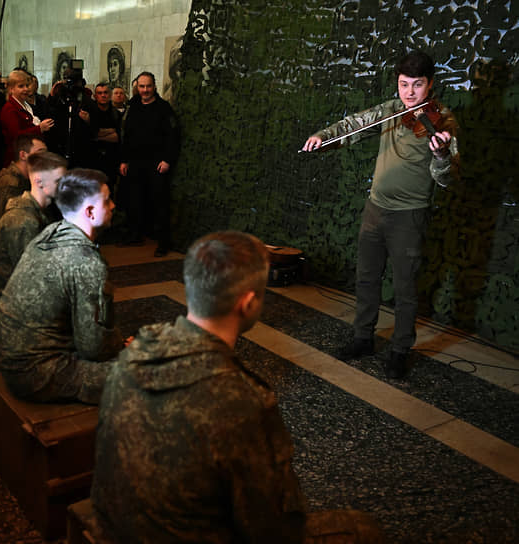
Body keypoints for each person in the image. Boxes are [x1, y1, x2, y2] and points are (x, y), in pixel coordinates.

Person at [91, 231, 383, 544]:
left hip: (117, 525)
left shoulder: (134, 352)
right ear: (247, 303)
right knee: (362, 529)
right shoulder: (245, 401)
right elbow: (272, 528)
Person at [302, 51, 458, 379]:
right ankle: (363, 338)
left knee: (404, 288)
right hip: (375, 208)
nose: (410, 93)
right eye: (404, 84)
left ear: (430, 84)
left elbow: (446, 179)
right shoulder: (389, 110)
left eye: (417, 85)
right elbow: (353, 125)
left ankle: (400, 350)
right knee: (366, 278)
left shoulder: (442, 121)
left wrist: (441, 153)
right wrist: (323, 138)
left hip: (409, 216)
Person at [0, 169, 123, 404]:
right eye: (108, 200)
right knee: (146, 370)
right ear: (90, 212)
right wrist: (121, 344)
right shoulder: (86, 262)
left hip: (10, 358)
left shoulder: (49, 234)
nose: (113, 206)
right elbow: (93, 348)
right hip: (37, 374)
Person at [0, 152, 67, 345]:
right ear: (39, 181)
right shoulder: (23, 221)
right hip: (10, 304)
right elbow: (29, 280)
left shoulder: (37, 214)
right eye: (59, 180)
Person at [119, 72, 180, 256]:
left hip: (157, 163)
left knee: (159, 203)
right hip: (135, 163)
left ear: (154, 86)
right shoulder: (133, 106)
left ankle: (163, 242)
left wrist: (167, 159)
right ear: (137, 87)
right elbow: (125, 135)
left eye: (148, 86)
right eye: (141, 86)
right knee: (135, 200)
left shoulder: (164, 108)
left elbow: (174, 137)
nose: (145, 90)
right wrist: (124, 160)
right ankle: (135, 235)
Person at [0, 134, 47, 236]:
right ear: (23, 155)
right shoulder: (11, 185)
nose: (45, 158)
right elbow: (11, 229)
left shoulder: (25, 180)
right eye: (40, 153)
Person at [0, 70, 54, 166]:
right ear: (11, 89)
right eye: (21, 86)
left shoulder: (24, 105)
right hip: (17, 159)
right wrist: (39, 128)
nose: (26, 89)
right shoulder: (9, 109)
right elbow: (16, 135)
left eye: (27, 86)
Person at [86, 82, 122, 188]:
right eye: (100, 93)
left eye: (105, 92)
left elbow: (117, 137)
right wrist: (110, 131)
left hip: (111, 159)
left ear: (110, 94)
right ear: (95, 96)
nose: (103, 95)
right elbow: (92, 135)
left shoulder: (116, 114)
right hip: (93, 159)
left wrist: (98, 134)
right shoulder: (90, 113)